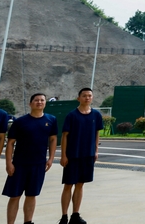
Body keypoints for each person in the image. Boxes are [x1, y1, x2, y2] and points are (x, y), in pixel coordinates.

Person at [2, 93, 57, 224]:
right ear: (30, 103)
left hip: (38, 164)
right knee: (15, 196)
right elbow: (10, 143)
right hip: (19, 165)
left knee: (32, 195)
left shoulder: (51, 120)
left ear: (45, 103)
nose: (39, 102)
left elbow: (53, 139)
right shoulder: (20, 121)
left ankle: (28, 221)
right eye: (36, 100)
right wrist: (9, 163)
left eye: (42, 100)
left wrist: (50, 159)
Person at [59, 87, 104, 224]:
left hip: (88, 155)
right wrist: (63, 155)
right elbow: (64, 136)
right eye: (84, 95)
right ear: (78, 98)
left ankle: (75, 215)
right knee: (68, 185)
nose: (87, 98)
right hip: (73, 156)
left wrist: (95, 151)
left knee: (80, 185)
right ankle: (64, 216)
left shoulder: (96, 115)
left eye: (89, 95)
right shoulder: (72, 115)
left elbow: (97, 133)